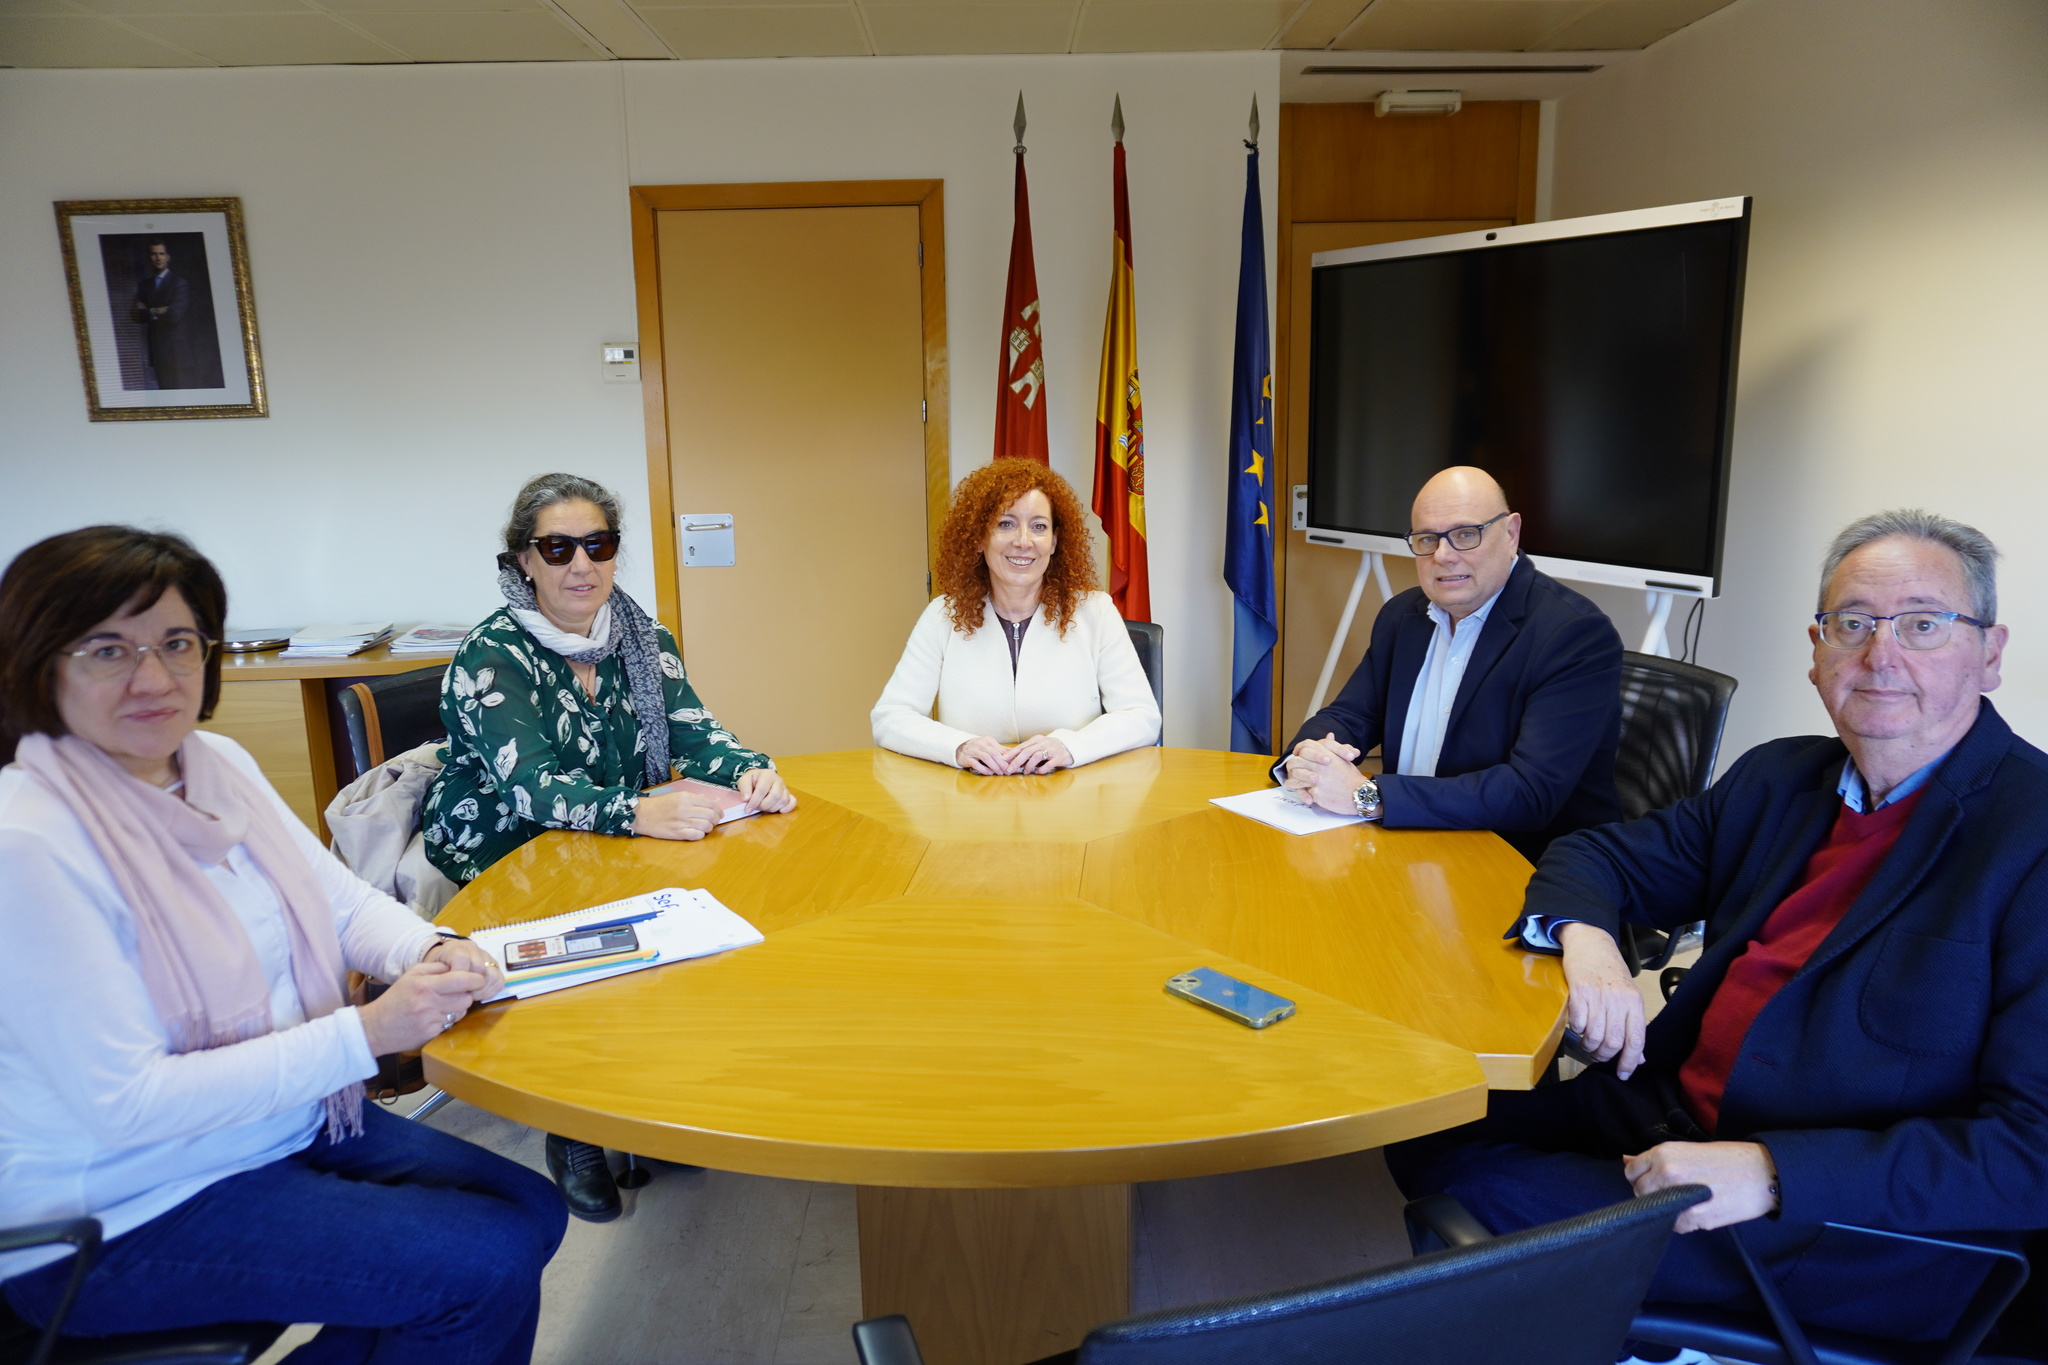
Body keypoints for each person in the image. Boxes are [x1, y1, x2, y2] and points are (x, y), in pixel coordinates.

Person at [1387, 509, 2048, 1352]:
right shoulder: (1781, 778)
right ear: (1816, 651)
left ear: (1989, 654)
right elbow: (1596, 854)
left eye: (1923, 624)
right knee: (1424, 1117)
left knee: (1487, 1202)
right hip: (1672, 1110)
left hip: (1843, 1225)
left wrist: (1771, 1173)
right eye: (1852, 623)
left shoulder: (2031, 836)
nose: (1881, 656)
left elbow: (2032, 1150)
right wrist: (1589, 941)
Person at [0, 526, 564, 1363]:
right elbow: (129, 1103)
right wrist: (367, 1033)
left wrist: (428, 947)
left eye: (177, 642)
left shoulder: (214, 762)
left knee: (531, 1214)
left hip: (278, 1123)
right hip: (128, 1201)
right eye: (107, 649)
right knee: (483, 1266)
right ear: (37, 663)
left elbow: (340, 901)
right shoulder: (29, 842)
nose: (154, 677)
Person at [423, 471, 794, 1222]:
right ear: (524, 560)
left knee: (696, 910)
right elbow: (530, 787)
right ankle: (575, 1129)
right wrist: (640, 812)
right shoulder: (493, 655)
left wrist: (750, 770)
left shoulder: (643, 637)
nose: (581, 565)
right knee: (593, 929)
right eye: (558, 548)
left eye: (598, 544)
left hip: (616, 828)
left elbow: (693, 731)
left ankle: (647, 1100)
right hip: (507, 838)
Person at [1278, 466, 1623, 861]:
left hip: (1522, 864)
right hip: (1409, 843)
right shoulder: (1402, 615)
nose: (1443, 555)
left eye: (1465, 534)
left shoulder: (1574, 634)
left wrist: (1367, 796)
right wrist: (1308, 759)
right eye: (1427, 539)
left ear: (1511, 533)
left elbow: (1529, 793)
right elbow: (1350, 715)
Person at [872, 458, 1159, 774]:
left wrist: (1070, 746)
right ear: (979, 538)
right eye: (1005, 524)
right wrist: (958, 746)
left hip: (1072, 793)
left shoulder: (1096, 612)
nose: (1023, 541)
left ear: (1054, 541)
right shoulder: (943, 616)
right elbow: (891, 717)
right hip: (973, 794)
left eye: (1039, 527)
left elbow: (1141, 716)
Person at [128, 240, 196, 389]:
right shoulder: (144, 285)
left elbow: (174, 315)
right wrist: (158, 310)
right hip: (157, 352)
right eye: (154, 254)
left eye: (161, 254)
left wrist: (148, 310)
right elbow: (135, 315)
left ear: (167, 257)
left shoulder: (179, 283)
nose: (158, 258)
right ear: (149, 258)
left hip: (177, 353)